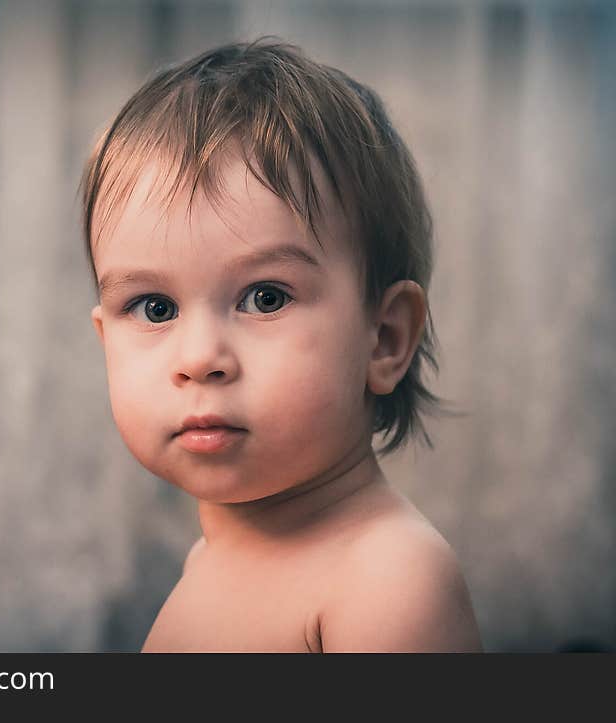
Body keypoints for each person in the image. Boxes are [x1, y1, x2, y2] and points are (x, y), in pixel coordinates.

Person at [79, 37, 482, 652]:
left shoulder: (389, 580)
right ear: (106, 339)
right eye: (154, 308)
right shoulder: (207, 559)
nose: (198, 360)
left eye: (265, 297)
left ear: (385, 338)